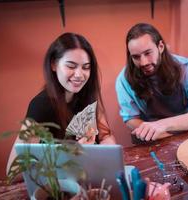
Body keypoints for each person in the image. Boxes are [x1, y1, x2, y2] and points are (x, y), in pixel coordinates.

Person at [7, 32, 116, 174]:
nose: (79, 75)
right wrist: (70, 155)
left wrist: (107, 148)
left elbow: (106, 135)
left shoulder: (87, 95)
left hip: (90, 176)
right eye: (71, 66)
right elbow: (13, 171)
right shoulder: (41, 106)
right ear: (53, 64)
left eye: (86, 67)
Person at [115, 23, 188, 142]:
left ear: (161, 46)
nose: (143, 62)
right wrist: (165, 135)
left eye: (148, 53)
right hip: (154, 138)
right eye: (136, 57)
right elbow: (131, 119)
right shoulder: (124, 80)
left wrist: (163, 125)